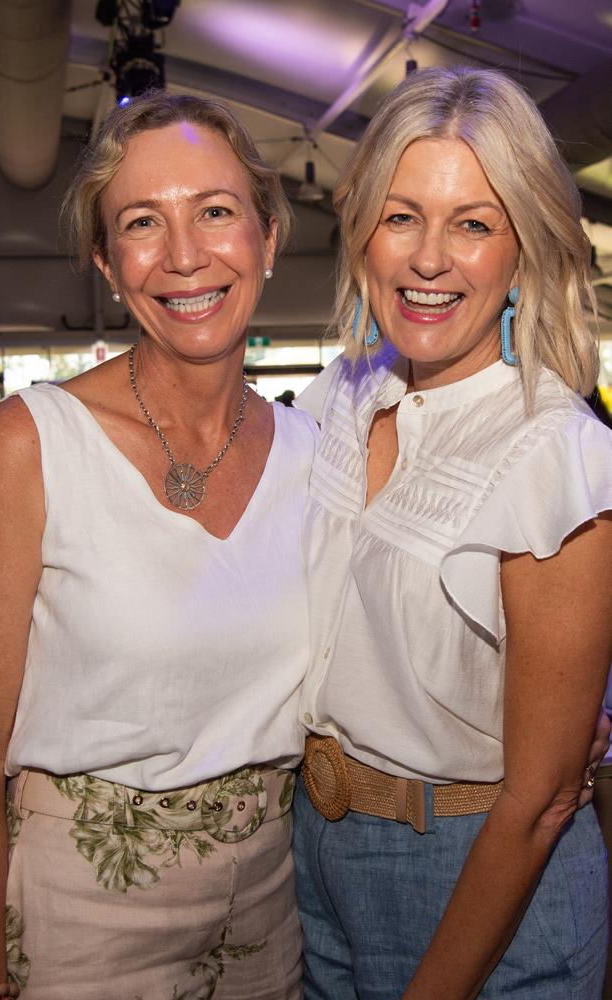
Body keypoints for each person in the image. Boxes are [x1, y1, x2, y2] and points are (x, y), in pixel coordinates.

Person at [0, 93, 318, 999]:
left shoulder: (320, 454)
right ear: (106, 264)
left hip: (271, 911)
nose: (186, 254)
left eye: (215, 211)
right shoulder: (28, 444)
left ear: (268, 238)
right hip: (79, 915)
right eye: (142, 224)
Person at [293, 65, 612, 999]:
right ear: (364, 233)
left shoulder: (554, 454)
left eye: (473, 223)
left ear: (523, 248)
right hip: (314, 856)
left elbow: (547, 794)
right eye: (402, 216)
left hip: (479, 877)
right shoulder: (337, 400)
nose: (429, 258)